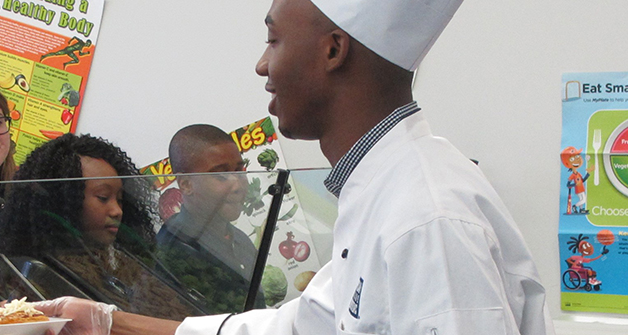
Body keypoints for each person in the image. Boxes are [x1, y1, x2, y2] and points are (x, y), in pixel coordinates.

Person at [35, 0, 552, 334]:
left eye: (274, 39)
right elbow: (295, 328)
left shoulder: (426, 215)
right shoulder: (379, 190)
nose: (262, 65)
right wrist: (105, 322)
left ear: (333, 50)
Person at [0, 133, 199, 320]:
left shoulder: (124, 265)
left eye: (119, 200)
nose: (117, 210)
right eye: (103, 197)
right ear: (63, 199)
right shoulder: (33, 274)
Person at [156, 124, 260, 313]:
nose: (237, 185)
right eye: (221, 175)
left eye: (239, 170)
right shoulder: (170, 255)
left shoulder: (240, 240)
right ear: (186, 185)